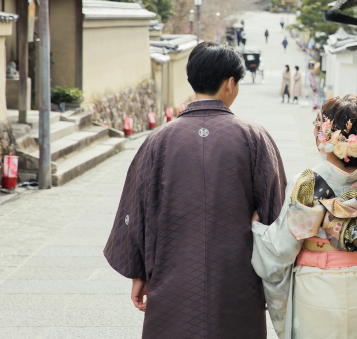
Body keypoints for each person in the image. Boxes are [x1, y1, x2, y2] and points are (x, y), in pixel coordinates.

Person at [104, 42, 287, 339]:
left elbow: (134, 211)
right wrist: (273, 279)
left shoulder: (158, 141)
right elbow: (276, 212)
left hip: (172, 279)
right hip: (237, 280)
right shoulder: (254, 137)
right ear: (230, 83)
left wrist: (138, 272)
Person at [252, 95, 357, 339]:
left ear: (324, 136)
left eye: (317, 124)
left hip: (316, 287)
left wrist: (257, 230)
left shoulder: (305, 183)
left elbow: (281, 250)